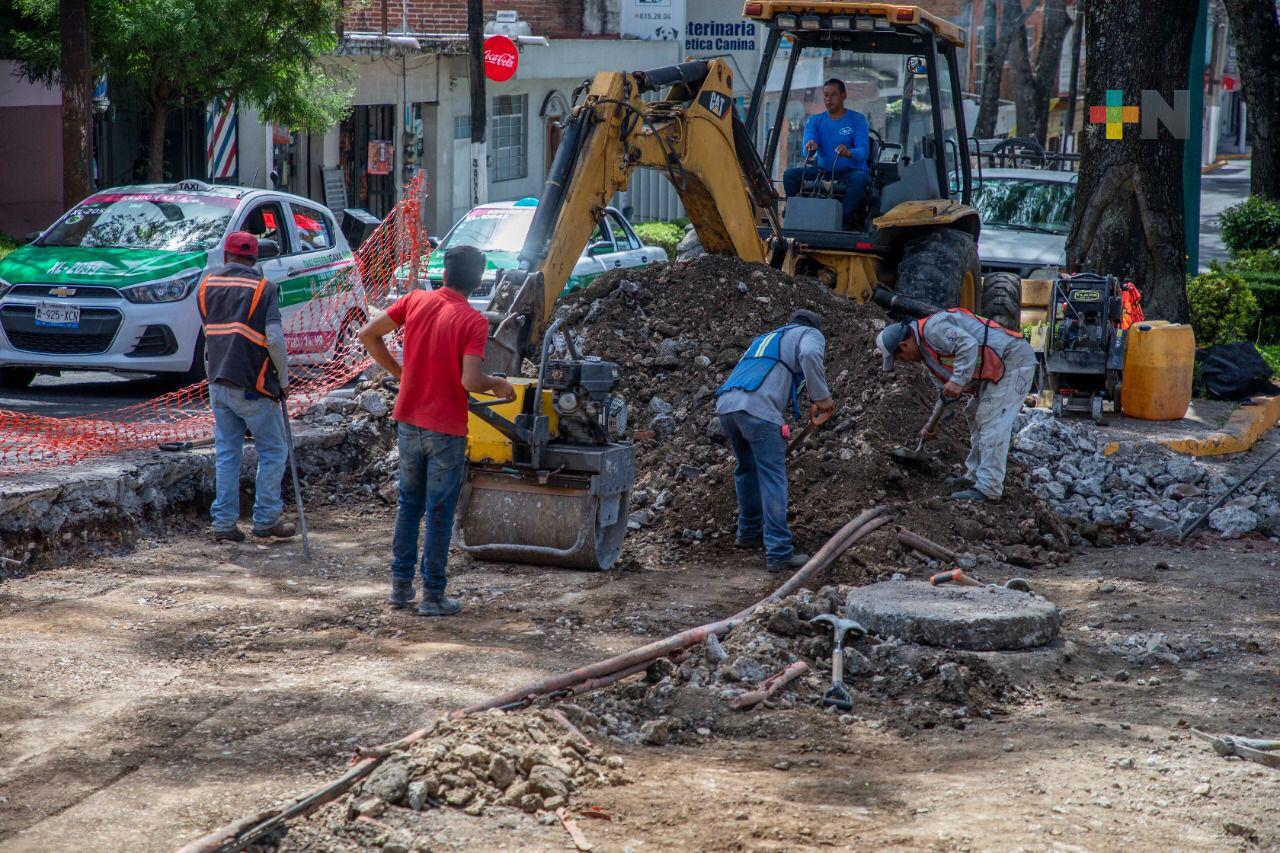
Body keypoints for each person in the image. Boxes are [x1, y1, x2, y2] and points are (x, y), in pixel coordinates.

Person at [358, 246, 515, 617]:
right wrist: (498, 384)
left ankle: (399, 591)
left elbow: (368, 334)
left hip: (409, 421)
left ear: (445, 273)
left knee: (409, 507)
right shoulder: (473, 321)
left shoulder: (415, 300)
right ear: (477, 281)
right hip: (445, 430)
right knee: (440, 513)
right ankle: (432, 597)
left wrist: (401, 374)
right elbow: (471, 380)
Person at [715, 309, 835, 572]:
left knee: (747, 469)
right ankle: (779, 552)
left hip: (727, 406)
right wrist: (821, 397)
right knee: (772, 475)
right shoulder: (809, 334)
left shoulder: (766, 337)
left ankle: (747, 534)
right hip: (758, 408)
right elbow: (811, 354)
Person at [876, 308, 1036, 502]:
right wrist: (934, 425)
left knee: (991, 420)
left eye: (899, 357)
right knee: (974, 412)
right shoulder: (929, 359)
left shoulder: (933, 330)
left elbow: (967, 344)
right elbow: (945, 397)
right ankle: (974, 476)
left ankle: (989, 488)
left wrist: (959, 380)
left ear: (904, 345)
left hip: (1013, 359)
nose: (904, 362)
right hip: (995, 369)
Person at [199, 231, 296, 542]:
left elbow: (210, 335)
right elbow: (275, 341)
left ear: (226, 257)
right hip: (253, 386)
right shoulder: (264, 288)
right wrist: (283, 381)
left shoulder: (207, 287)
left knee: (227, 452)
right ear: (255, 259)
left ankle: (224, 523)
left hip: (218, 382)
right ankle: (266, 518)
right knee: (273, 449)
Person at [782, 78, 872, 230]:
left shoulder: (857, 120)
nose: (828, 99)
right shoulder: (815, 120)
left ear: (843, 96)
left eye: (833, 95)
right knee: (789, 175)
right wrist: (810, 145)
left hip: (850, 172)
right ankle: (796, 213)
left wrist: (849, 152)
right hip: (823, 171)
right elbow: (808, 144)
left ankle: (842, 219)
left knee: (860, 179)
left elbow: (863, 151)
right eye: (826, 95)